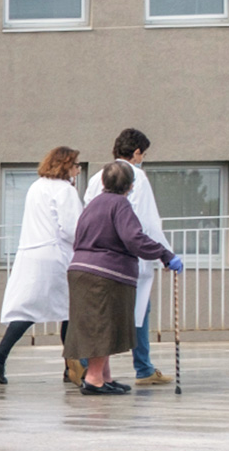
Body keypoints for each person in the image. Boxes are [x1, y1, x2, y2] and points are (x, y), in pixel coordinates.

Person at [67, 161, 181, 395]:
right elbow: (134, 238)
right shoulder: (121, 205)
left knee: (99, 323)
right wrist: (164, 254)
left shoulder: (94, 204)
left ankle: (104, 376)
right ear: (130, 185)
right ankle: (94, 379)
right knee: (103, 324)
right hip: (105, 273)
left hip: (81, 269)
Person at [0, 146, 83, 385]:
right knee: (70, 309)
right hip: (56, 256)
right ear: (66, 166)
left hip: (30, 254)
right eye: (76, 165)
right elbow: (71, 229)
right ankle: (72, 367)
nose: (78, 170)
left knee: (26, 310)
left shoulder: (36, 186)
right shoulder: (65, 190)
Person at [113, 128, 173, 386]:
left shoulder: (98, 176)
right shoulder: (137, 177)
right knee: (140, 309)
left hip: (104, 254)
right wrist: (165, 254)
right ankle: (143, 368)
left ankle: (86, 366)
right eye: (143, 154)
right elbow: (148, 221)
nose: (142, 159)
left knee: (105, 312)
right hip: (132, 254)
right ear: (136, 152)